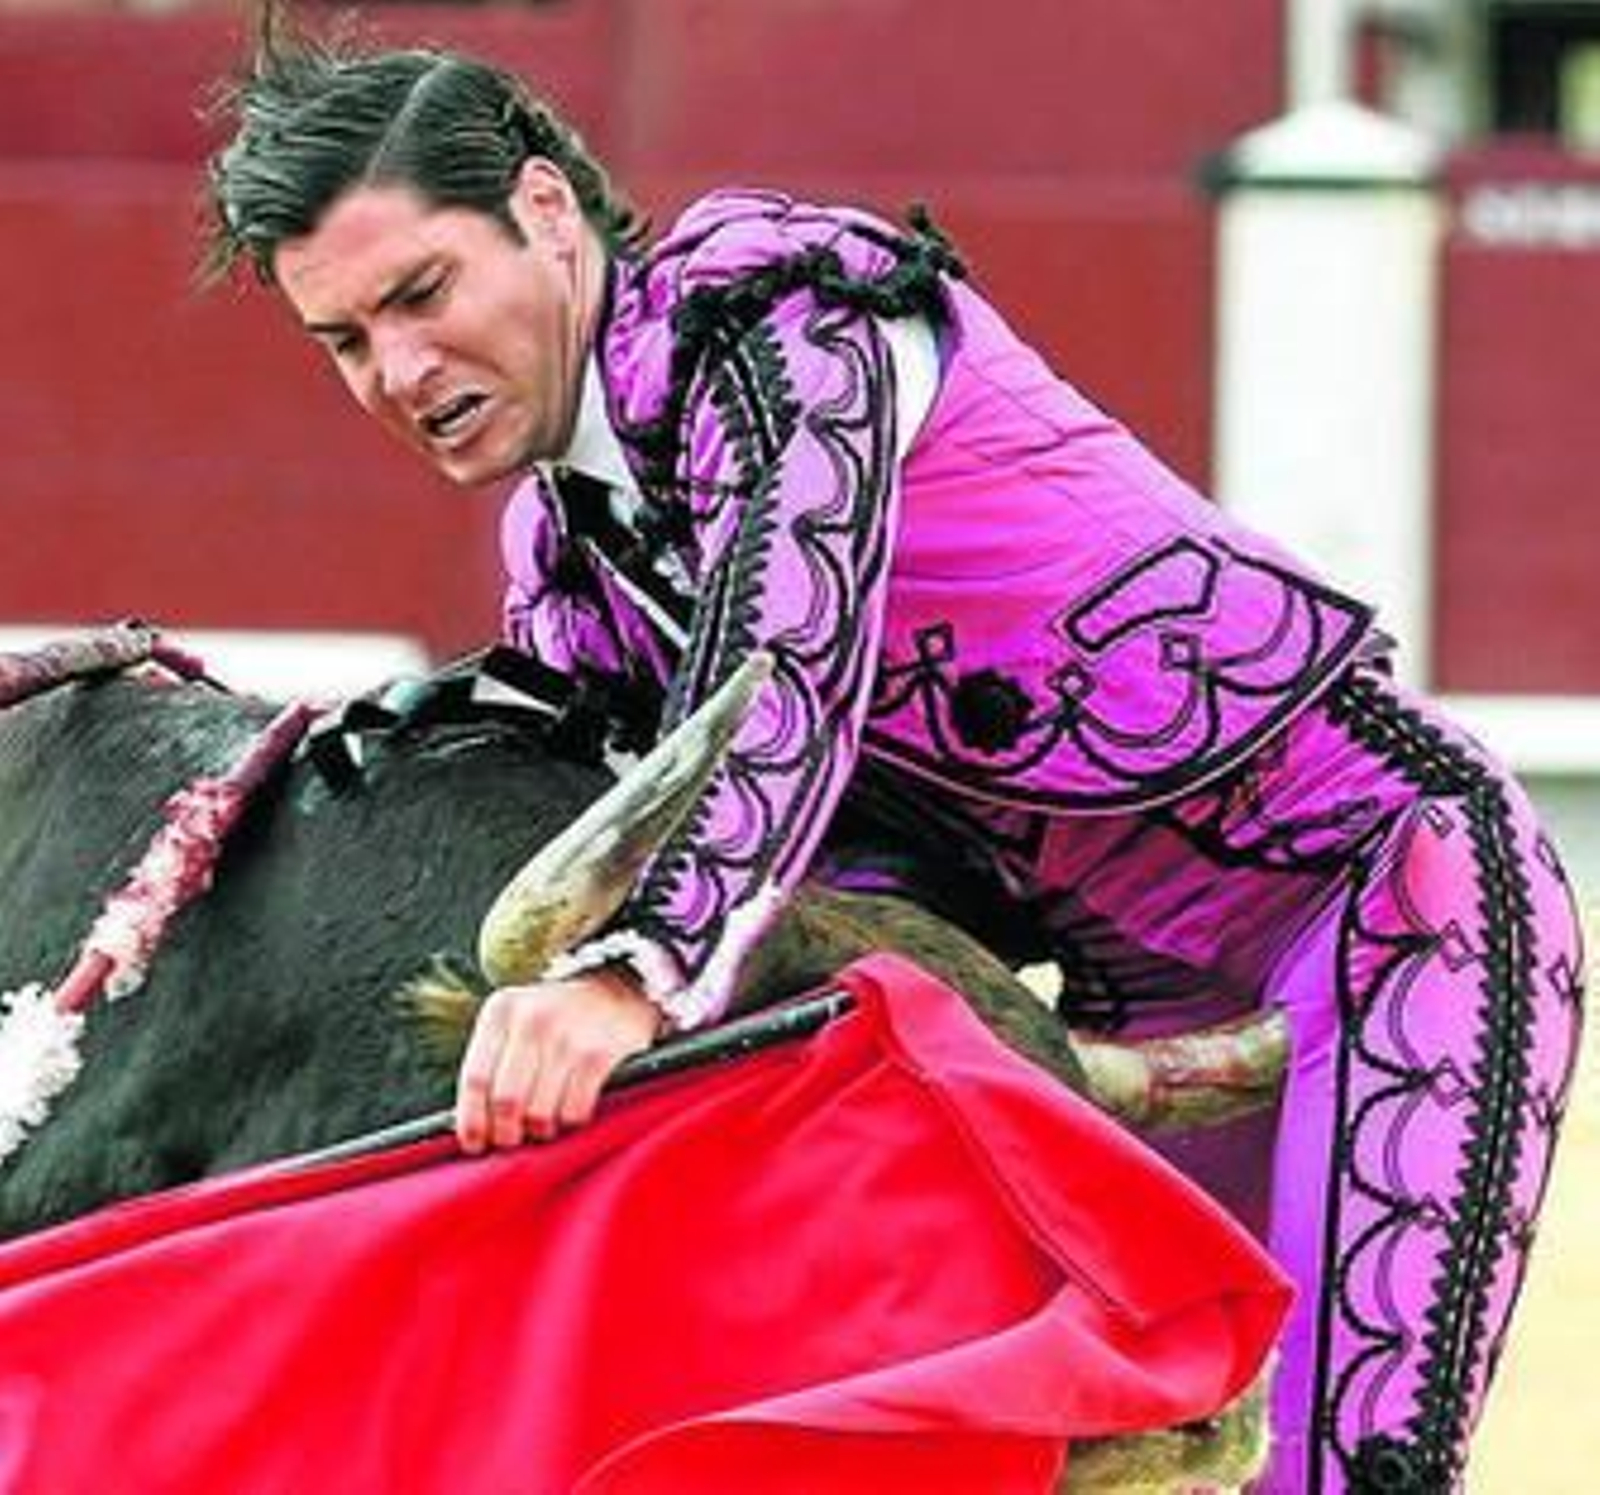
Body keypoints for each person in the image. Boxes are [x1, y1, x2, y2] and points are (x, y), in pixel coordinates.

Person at [203, 23, 1584, 1495]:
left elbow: (786, 661)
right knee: (1055, 1464)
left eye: (422, 293)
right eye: (345, 340)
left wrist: (629, 973)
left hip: (1380, 898)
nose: (400, 371)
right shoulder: (570, 558)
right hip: (1114, 1017)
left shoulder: (786, 320)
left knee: (1349, 1473)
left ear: (545, 212)